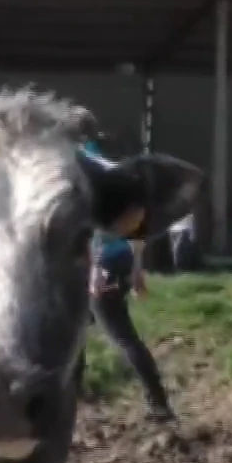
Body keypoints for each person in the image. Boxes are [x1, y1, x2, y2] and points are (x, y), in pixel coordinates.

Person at [78, 133, 179, 424]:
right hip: (118, 257)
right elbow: (137, 224)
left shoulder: (87, 170)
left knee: (120, 334)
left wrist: (97, 266)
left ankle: (159, 403)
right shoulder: (114, 167)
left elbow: (92, 224)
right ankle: (74, 393)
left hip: (103, 260)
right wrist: (136, 267)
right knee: (76, 329)